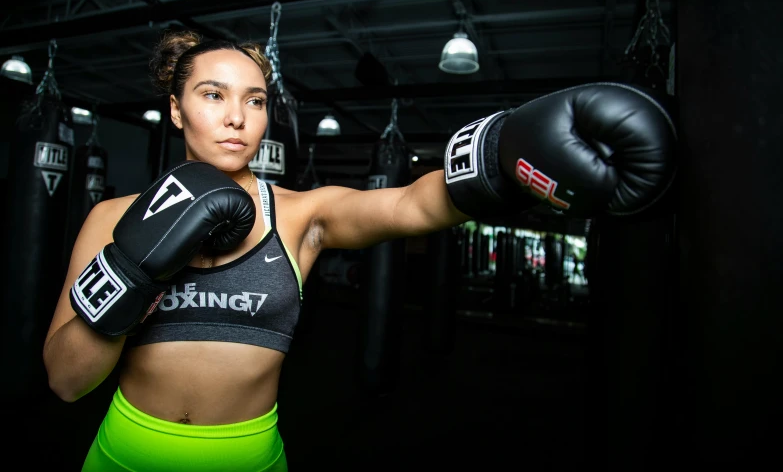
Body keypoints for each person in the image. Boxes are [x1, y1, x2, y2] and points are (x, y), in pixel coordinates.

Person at [42, 29, 676, 472]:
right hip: (124, 453)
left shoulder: (299, 214)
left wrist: (508, 152)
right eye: (213, 95)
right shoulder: (112, 219)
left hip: (247, 457)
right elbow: (67, 383)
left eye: (254, 100)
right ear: (176, 111)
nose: (237, 117)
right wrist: (134, 270)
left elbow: (410, 204)